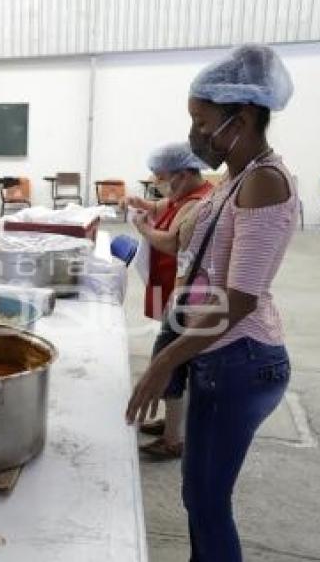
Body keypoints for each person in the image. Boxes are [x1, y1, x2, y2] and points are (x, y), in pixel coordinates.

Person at [126, 44, 297, 561]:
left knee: (205, 499)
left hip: (240, 359)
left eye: (202, 122)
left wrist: (164, 362)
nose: (194, 135)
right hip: (219, 353)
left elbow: (239, 300)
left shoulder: (264, 182)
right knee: (197, 494)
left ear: (240, 118)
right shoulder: (239, 177)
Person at [126, 143, 213, 460]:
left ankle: (173, 440)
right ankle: (171, 424)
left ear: (186, 173)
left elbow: (174, 243)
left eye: (164, 178)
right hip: (170, 285)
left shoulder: (198, 202)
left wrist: (142, 227)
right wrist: (143, 206)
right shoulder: (181, 197)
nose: (162, 184)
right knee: (170, 355)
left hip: (185, 292)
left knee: (169, 360)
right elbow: (160, 207)